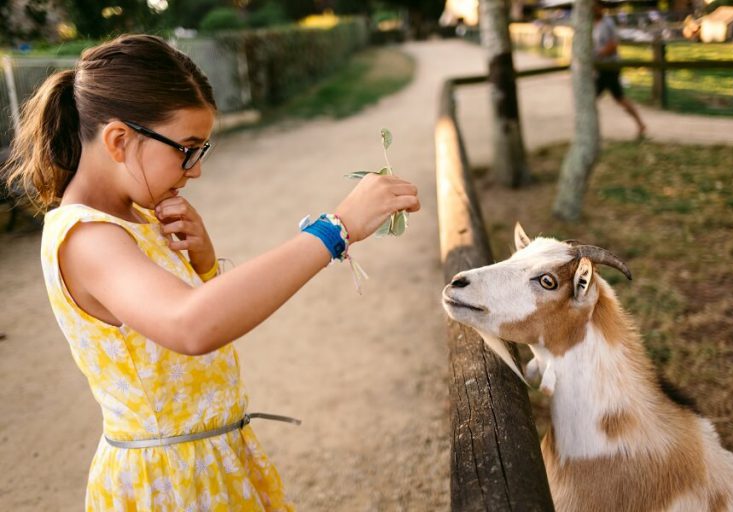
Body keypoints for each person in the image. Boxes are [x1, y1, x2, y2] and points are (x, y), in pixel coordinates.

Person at [3, 34, 420, 511]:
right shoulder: (87, 238)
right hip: (168, 483)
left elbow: (193, 337)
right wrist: (335, 229)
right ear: (119, 140)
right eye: (187, 148)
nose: (195, 170)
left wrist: (203, 264)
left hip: (209, 462)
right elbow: (191, 324)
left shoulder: (137, 219)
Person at [593, 3, 647, 139]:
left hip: (609, 67)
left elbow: (613, 44)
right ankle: (640, 124)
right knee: (619, 98)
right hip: (601, 67)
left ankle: (592, 131)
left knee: (592, 98)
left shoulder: (607, 23)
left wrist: (598, 55)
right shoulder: (593, 24)